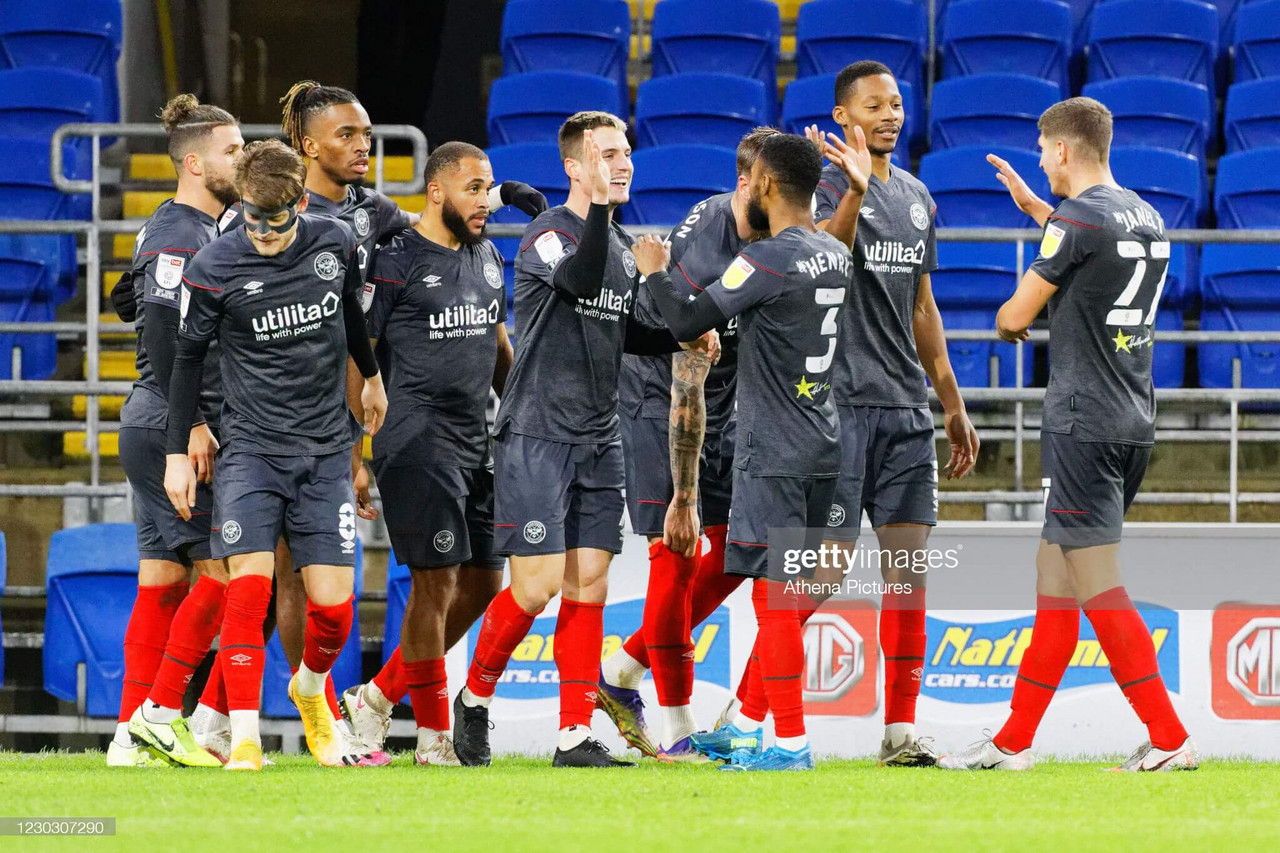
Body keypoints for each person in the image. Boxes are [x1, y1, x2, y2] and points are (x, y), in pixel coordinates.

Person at [711, 60, 980, 767]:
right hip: (832, 411)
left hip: (904, 411)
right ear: (842, 116)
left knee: (907, 574)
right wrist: (855, 191)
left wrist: (949, 399)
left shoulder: (919, 197)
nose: (891, 114)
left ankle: (900, 730)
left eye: (896, 103)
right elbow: (818, 255)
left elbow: (922, 305)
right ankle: (747, 711)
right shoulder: (823, 186)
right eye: (874, 105)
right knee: (817, 577)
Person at [940, 98, 1197, 772]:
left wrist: (1008, 311)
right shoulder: (1142, 212)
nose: (1039, 160)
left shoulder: (1079, 219)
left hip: (1083, 420)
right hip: (1132, 418)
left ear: (1063, 149)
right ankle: (1013, 741)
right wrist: (1038, 212)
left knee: (1098, 582)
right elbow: (1092, 247)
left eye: (1042, 149)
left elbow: (1013, 316)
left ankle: (1170, 738)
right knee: (1054, 574)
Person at [452, 111, 708, 768]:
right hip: (537, 432)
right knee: (534, 588)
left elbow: (624, 330)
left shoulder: (619, 245)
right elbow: (581, 282)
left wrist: (685, 334)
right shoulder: (546, 235)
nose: (621, 164)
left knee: (588, 583)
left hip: (600, 436)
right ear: (574, 165)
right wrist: (595, 202)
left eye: (626, 153)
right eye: (606, 155)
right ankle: (475, 698)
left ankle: (572, 733)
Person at [161, 139, 388, 771]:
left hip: (324, 451)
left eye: (277, 217)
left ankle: (310, 689)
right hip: (251, 453)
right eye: (252, 216)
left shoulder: (334, 241)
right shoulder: (212, 266)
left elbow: (347, 312)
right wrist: (179, 452)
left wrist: (370, 377)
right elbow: (185, 362)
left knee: (336, 613)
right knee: (247, 593)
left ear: (299, 202)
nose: (263, 230)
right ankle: (243, 740)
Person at [640, 132, 854, 772]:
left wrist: (654, 271)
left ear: (763, 185)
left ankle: (789, 743)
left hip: (773, 448)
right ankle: (767, 734)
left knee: (774, 600)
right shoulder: (835, 255)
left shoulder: (765, 260)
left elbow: (685, 321)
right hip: (823, 441)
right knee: (785, 595)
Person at [597, 127, 778, 760]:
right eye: (775, 190)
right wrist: (683, 493)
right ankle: (676, 732)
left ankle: (622, 671)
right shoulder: (707, 258)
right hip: (660, 397)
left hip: (726, 402)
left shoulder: (771, 226)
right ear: (747, 184)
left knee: (734, 546)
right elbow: (686, 377)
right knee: (677, 549)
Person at [342, 141, 513, 766]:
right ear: (436, 190)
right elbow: (357, 354)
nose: (484, 200)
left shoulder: (489, 257)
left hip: (477, 438)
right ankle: (433, 737)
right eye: (472, 187)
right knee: (435, 583)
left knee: (486, 582)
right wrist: (354, 452)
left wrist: (516, 414)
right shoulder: (394, 260)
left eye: (487, 187)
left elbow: (496, 343)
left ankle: (377, 698)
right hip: (414, 439)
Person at [112, 95, 243, 768]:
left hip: (151, 418)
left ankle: (127, 732)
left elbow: (125, 300)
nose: (241, 158)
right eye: (231, 149)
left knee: (162, 580)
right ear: (194, 161)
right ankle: (162, 714)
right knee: (225, 573)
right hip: (174, 422)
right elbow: (161, 329)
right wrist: (189, 424)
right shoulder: (179, 234)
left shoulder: (188, 228)